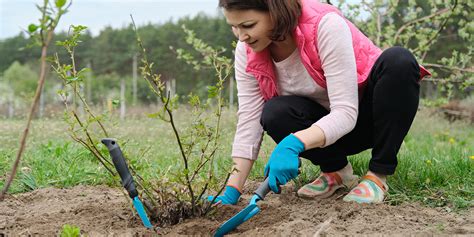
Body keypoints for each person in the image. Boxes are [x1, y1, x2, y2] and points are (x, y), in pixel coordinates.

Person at [208, 0, 430, 205]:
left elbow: (345, 112)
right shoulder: (247, 51)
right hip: (321, 136)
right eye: (234, 27)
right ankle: (336, 171)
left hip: (367, 120)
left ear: (275, 11)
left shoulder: (324, 26)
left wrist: (293, 143)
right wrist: (232, 189)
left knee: (399, 61)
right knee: (274, 113)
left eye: (248, 25)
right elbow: (249, 119)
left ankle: (377, 176)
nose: (241, 36)